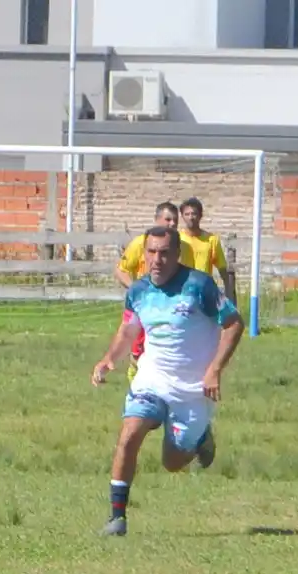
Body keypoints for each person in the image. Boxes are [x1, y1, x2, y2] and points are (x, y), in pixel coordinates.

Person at [92, 226, 243, 537]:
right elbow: (129, 330)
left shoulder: (198, 285)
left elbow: (234, 324)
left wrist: (214, 369)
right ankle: (116, 518)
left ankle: (200, 439)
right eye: (151, 252)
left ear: (177, 255)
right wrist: (109, 358)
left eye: (164, 253)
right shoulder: (139, 291)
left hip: (191, 390)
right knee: (129, 434)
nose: (156, 260)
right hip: (151, 378)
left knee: (172, 463)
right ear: (143, 253)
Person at [116, 202, 195, 381]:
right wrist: (137, 291)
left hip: (173, 304)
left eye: (175, 220)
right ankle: (136, 375)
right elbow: (121, 270)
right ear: (156, 219)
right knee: (137, 344)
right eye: (168, 219)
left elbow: (190, 275)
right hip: (145, 306)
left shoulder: (184, 247)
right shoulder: (139, 243)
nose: (172, 224)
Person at [179, 197, 233, 303]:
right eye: (187, 214)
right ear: (182, 216)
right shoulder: (177, 239)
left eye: (194, 214)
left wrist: (229, 293)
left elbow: (222, 269)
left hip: (204, 293)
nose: (191, 217)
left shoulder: (212, 240)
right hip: (182, 292)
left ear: (200, 215)